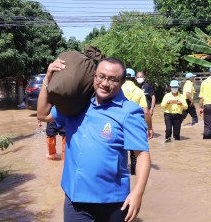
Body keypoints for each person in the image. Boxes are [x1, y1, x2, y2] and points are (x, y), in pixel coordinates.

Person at [37, 57, 150, 222]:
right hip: (76, 200)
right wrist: (48, 78)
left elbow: (141, 155)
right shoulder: (77, 105)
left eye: (113, 79)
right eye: (101, 76)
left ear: (122, 81)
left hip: (113, 202)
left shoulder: (129, 111)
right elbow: (43, 114)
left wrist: (138, 192)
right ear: (94, 76)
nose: (105, 83)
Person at [122, 68, 153, 175]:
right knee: (135, 154)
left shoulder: (116, 90)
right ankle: (134, 175)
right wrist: (150, 128)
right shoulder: (139, 91)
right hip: (134, 125)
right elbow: (146, 112)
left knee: (119, 152)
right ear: (134, 78)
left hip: (118, 124)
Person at [198, 71, 211, 139]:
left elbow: (201, 97)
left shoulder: (204, 82)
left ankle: (206, 142)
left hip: (207, 105)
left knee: (207, 125)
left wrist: (200, 107)